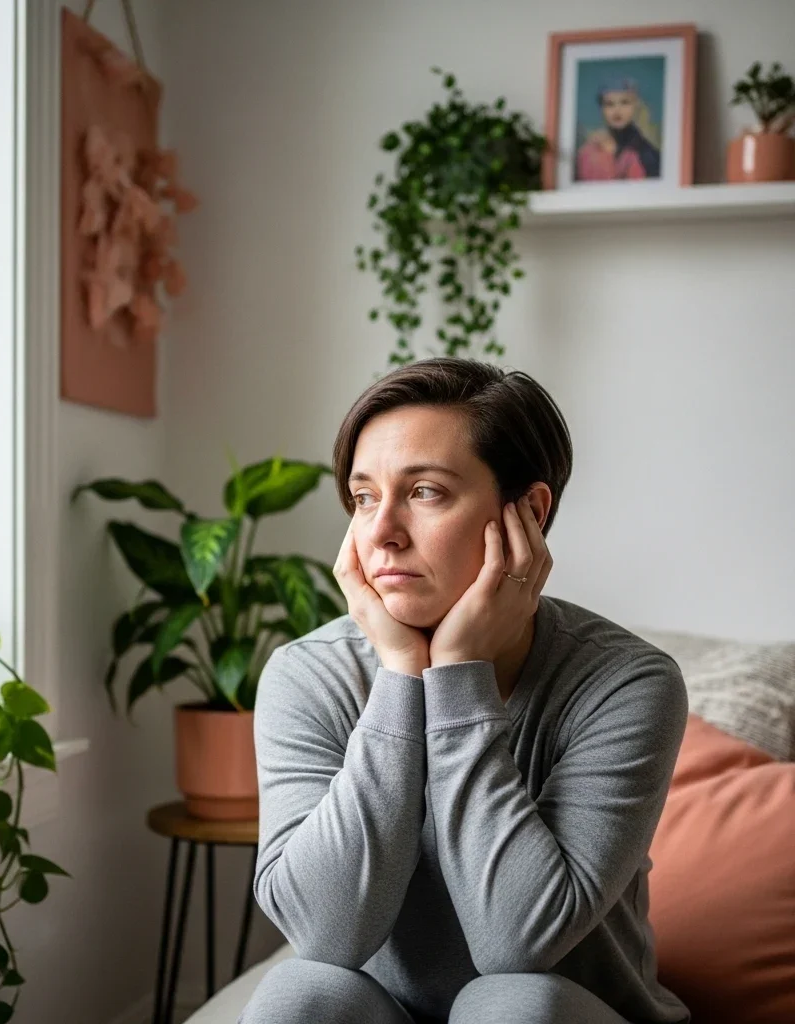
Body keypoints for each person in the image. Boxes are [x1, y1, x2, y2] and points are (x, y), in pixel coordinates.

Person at [238, 358, 690, 1024]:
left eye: (425, 492)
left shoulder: (627, 684)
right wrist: (400, 673)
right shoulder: (308, 675)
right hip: (382, 1010)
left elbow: (518, 943)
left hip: (556, 1010)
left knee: (513, 1005)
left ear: (528, 513)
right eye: (364, 496)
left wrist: (456, 678)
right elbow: (324, 935)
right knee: (296, 996)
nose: (382, 531)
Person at [576, 77, 662, 181]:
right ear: (601, 109)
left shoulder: (647, 154)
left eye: (624, 102)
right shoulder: (588, 153)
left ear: (635, 105)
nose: (617, 111)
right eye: (609, 104)